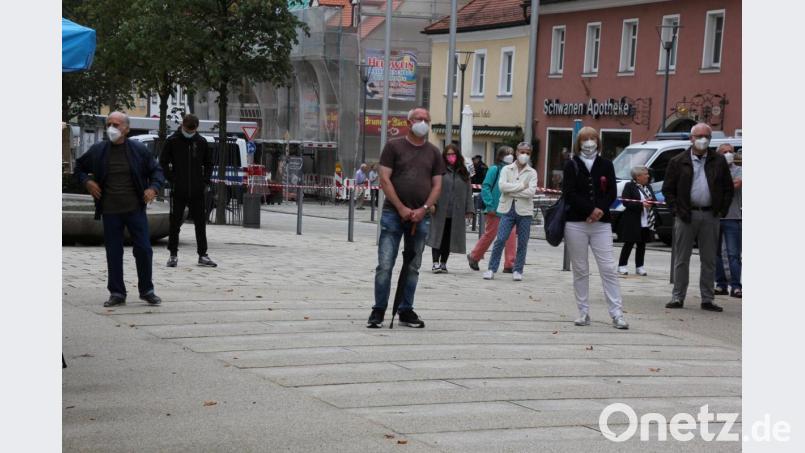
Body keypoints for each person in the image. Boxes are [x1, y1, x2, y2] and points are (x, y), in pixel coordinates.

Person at [74, 111, 165, 307]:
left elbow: (157, 171)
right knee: (113, 252)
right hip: (110, 211)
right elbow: (79, 167)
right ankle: (117, 292)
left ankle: (147, 290)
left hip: (135, 209)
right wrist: (87, 181)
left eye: (116, 124)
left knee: (143, 249)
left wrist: (153, 188)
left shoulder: (138, 150)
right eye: (109, 124)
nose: (111, 128)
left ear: (126, 128)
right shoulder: (99, 150)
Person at [367, 107, 445, 328]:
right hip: (394, 213)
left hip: (421, 217)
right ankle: (379, 309)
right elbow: (384, 178)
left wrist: (425, 208)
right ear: (408, 122)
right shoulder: (394, 147)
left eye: (426, 120)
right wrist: (401, 207)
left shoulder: (433, 152)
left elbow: (437, 185)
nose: (423, 122)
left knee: (412, 266)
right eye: (419, 119)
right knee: (385, 264)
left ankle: (405, 309)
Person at [662, 123, 734, 312]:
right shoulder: (678, 161)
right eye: (699, 135)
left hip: (711, 214)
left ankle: (707, 298)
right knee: (681, 259)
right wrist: (676, 210)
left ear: (710, 139)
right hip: (686, 214)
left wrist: (721, 210)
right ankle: (678, 297)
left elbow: (727, 189)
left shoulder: (718, 161)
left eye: (706, 136)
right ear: (691, 138)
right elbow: (668, 190)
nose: (702, 139)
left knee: (709, 259)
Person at [563, 127, 629, 329]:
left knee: (608, 268)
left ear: (598, 142)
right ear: (579, 142)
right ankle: (583, 312)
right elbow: (569, 193)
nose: (589, 142)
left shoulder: (606, 164)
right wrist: (590, 210)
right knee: (581, 269)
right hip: (576, 222)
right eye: (585, 139)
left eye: (592, 138)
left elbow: (611, 191)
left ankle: (617, 313)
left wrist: (600, 209)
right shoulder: (571, 164)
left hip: (601, 223)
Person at [160, 114, 217, 268]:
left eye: (192, 130)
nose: (190, 132)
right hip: (179, 189)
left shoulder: (201, 141)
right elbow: (163, 161)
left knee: (200, 223)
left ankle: (203, 254)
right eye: (187, 129)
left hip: (197, 190)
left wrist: (205, 180)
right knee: (175, 223)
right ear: (182, 126)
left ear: (196, 128)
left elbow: (209, 163)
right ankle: (173, 254)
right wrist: (172, 178)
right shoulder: (173, 141)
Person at [482, 142, 537, 282]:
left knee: (523, 242)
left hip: (524, 211)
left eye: (527, 153)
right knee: (500, 239)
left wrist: (512, 190)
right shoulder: (507, 169)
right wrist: (521, 187)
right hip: (507, 209)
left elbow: (531, 192)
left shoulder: (532, 172)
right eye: (521, 152)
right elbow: (502, 187)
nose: (524, 155)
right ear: (517, 153)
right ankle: (491, 268)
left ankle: (518, 270)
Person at [467, 147, 517, 273]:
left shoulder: (514, 170)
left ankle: (510, 264)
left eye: (511, 153)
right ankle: (474, 256)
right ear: (500, 156)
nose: (510, 156)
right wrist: (489, 205)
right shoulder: (494, 169)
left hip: (509, 209)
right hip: (494, 209)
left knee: (511, 236)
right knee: (490, 235)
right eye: (507, 154)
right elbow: (486, 187)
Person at [427, 144, 475, 273]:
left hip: (456, 212)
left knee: (449, 238)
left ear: (457, 155)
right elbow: (432, 187)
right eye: (448, 154)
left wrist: (469, 209)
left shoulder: (463, 172)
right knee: (438, 236)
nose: (451, 157)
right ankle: (435, 262)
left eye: (453, 154)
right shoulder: (439, 170)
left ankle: (443, 263)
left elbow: (468, 191)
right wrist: (431, 203)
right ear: (444, 155)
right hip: (439, 210)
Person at [617, 166, 659, 276]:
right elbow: (626, 202)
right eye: (645, 174)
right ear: (638, 176)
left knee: (642, 244)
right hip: (633, 219)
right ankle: (622, 265)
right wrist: (641, 204)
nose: (648, 176)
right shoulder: (629, 186)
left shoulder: (648, 187)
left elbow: (654, 200)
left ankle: (639, 266)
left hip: (646, 219)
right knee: (629, 243)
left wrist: (651, 203)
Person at [714, 144, 742, 298]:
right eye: (724, 152)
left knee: (733, 254)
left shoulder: (739, 170)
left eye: (730, 151)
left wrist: (719, 185)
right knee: (716, 254)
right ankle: (720, 285)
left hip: (733, 217)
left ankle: (736, 287)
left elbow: (736, 185)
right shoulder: (713, 169)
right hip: (715, 217)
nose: (728, 154)